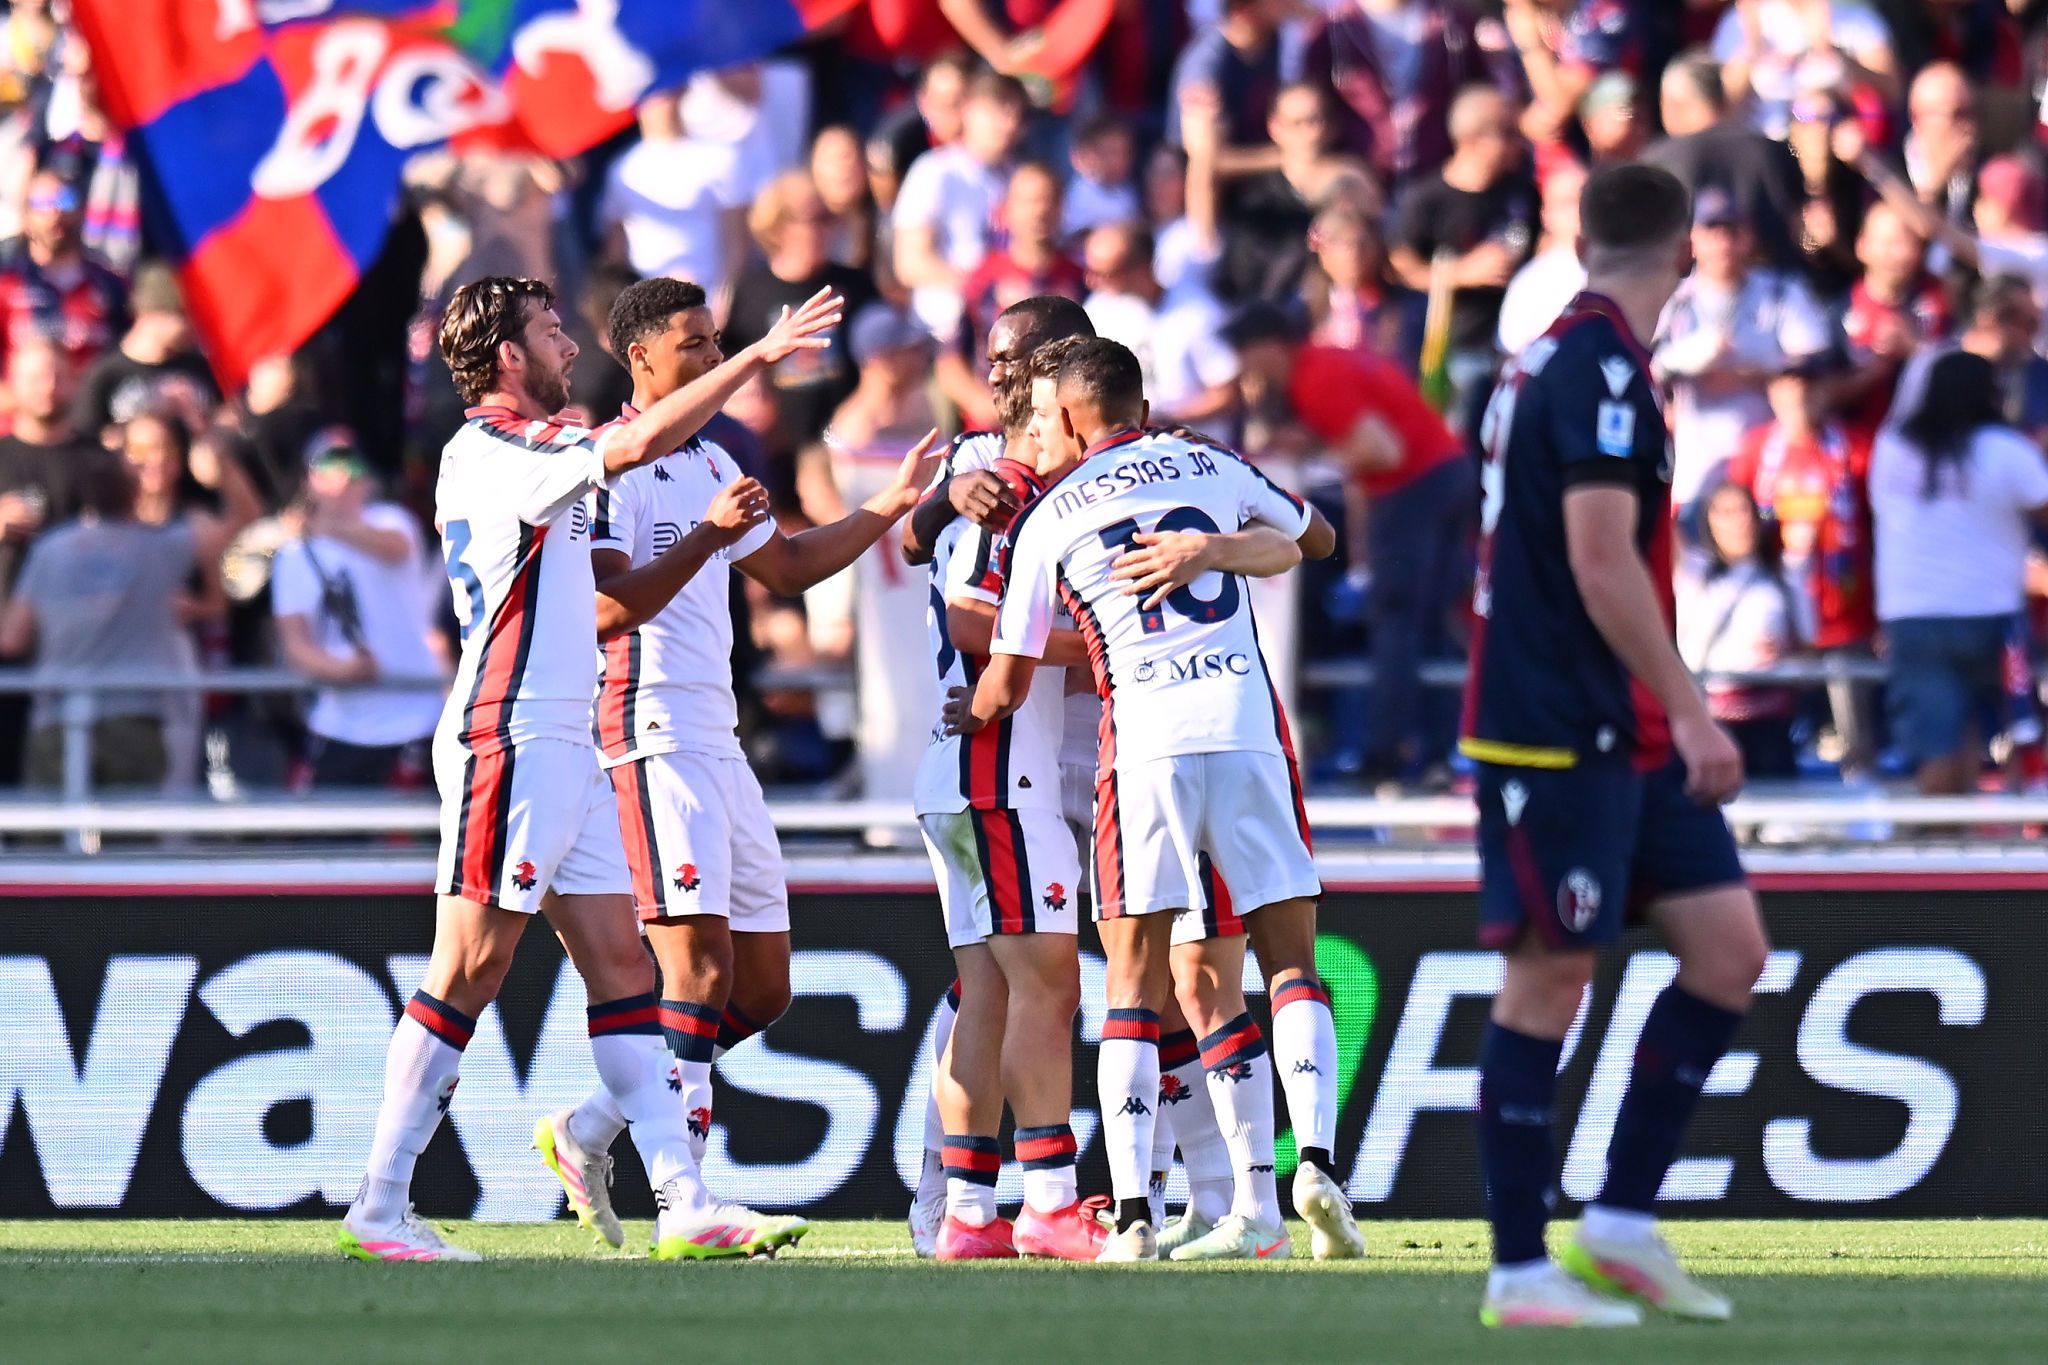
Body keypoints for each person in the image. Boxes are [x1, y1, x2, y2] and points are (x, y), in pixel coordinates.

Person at [337, 274, 841, 1264]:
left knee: (621, 971)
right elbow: (637, 440)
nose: (570, 346)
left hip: (569, 739)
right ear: (509, 359)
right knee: (469, 967)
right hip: (509, 732)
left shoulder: (545, 460)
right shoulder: (495, 450)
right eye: (551, 331)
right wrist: (754, 358)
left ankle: (683, 1202)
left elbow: (626, 586)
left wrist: (701, 535)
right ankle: (379, 1202)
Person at [542, 276, 939, 1253]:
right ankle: (688, 1204)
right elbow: (602, 610)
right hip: (642, 738)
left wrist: (888, 504)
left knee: (761, 989)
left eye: (717, 340)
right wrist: (709, 538)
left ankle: (589, 1125)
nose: (713, 357)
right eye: (694, 343)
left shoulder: (712, 458)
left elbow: (792, 569)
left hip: (717, 743)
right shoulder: (605, 469)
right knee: (697, 967)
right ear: (639, 358)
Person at [953, 337, 1352, 1263]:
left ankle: (1130, 1212)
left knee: (1133, 983)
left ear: (1078, 415)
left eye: (1050, 410)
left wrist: (969, 712)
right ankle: (1315, 1167)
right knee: (1285, 963)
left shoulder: (1051, 513)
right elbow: (1317, 537)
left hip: (1144, 748)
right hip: (1250, 732)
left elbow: (1006, 678)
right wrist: (1219, 547)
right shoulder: (1210, 460)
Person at [1463, 162, 1764, 1327]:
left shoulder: (1563, 354)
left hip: (1617, 728)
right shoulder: (1591, 370)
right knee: (1548, 977)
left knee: (1727, 949)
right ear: (1683, 249)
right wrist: (1690, 707)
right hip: (1558, 725)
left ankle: (1621, 1227)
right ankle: (1516, 1272)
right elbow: (1597, 560)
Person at [896, 294, 1099, 1257]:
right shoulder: (998, 479)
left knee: (993, 990)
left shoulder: (1040, 476)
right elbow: (971, 616)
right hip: (1002, 768)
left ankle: (970, 1211)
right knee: (1045, 985)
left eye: (1016, 359)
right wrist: (1108, 649)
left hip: (992, 767)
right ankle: (1049, 1200)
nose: (1000, 373)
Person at [1228, 302, 1473, 789]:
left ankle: (1387, 750)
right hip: (1447, 473)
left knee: (1396, 621)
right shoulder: (1332, 359)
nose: (1242, 367)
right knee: (1432, 620)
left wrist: (1317, 455)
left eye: (1245, 354)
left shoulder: (1315, 378)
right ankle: (1438, 751)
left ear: (1268, 348)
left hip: (1412, 488)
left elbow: (1382, 450)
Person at [1870, 349, 2048, 795]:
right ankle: (2023, 843)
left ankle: (1940, 850)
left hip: (1911, 617)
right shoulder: (2006, 450)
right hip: (1994, 612)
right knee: (2022, 730)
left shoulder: (1891, 448)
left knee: (1937, 744)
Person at [0, 450, 193, 790]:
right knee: (132, 838)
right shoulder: (161, 547)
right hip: (135, 715)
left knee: (49, 837)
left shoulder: (49, 549)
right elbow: (238, 520)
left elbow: (12, 637)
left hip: (58, 714)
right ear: (135, 493)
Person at [1726, 358, 1878, 779]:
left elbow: (1876, 521)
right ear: (1773, 395)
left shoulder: (1854, 448)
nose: (1799, 398)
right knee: (1763, 719)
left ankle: (1861, 804)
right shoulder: (1756, 449)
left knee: (1854, 723)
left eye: (1810, 388)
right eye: (1788, 388)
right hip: (1775, 612)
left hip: (1843, 609)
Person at [269, 433, 444, 789]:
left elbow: (392, 548)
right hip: (341, 723)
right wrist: (342, 669)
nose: (343, 477)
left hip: (417, 719)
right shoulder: (293, 556)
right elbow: (295, 642)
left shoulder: (392, 520)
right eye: (329, 467)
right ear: (308, 480)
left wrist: (320, 527)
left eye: (351, 466)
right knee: (334, 839)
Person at [1651, 186, 1832, 513]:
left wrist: (1748, 371)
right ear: (1694, 240)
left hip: (1770, 465)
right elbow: (1651, 365)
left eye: (1731, 232)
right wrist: (1692, 361)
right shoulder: (1676, 300)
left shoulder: (1780, 292)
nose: (1722, 244)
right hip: (1698, 467)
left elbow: (1817, 360)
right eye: (1712, 232)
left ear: (1747, 236)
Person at [1388, 85, 1538, 431]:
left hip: (1514, 351)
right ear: (1471, 140)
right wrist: (1459, 273)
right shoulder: (1426, 199)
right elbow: (1398, 266)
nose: (1519, 143)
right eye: (1508, 133)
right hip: (1455, 353)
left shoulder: (1521, 192)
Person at [723, 170, 878, 449]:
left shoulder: (854, 284)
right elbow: (732, 366)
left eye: (829, 218)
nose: (826, 228)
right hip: (778, 450)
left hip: (847, 447)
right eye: (815, 220)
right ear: (778, 227)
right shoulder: (749, 291)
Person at [1677, 480, 1811, 779]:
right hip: (1715, 716)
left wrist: (1784, 654)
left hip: (1771, 719)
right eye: (1725, 512)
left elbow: (1809, 645)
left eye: (1744, 511)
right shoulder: (1694, 577)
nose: (1739, 522)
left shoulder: (1782, 577)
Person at [1641, 49, 1804, 271]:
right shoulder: (1773, 151)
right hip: (1776, 290)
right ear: (1724, 97)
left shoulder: (1656, 159)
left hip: (1684, 292)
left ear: (1673, 104)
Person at [599, 91, 750, 314]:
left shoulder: (720, 158)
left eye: (667, 92)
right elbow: (616, 248)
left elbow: (737, 240)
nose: (662, 102)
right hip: (648, 308)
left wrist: (726, 299)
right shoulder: (621, 169)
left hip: (710, 300)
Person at [958, 162, 1086, 374]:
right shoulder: (983, 279)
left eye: (1048, 200)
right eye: (1029, 201)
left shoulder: (1080, 278)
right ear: (1006, 209)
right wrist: (981, 404)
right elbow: (952, 360)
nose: (1039, 210)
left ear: (1062, 208)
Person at [71, 260, 218, 442]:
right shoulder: (105, 375)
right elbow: (85, 444)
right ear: (150, 313)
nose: (194, 326)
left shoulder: (201, 366)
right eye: (184, 315)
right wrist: (143, 424)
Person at [0, 166, 124, 378]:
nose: (55, 213)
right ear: (26, 216)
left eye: (66, 201)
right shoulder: (7, 285)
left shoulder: (112, 286)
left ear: (82, 209)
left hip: (92, 405)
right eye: (42, 205)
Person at [1495, 158, 1588, 358]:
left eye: (1585, 198)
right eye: (1566, 203)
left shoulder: (1626, 269)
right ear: (1546, 215)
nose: (1578, 210)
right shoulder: (1532, 282)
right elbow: (1512, 350)